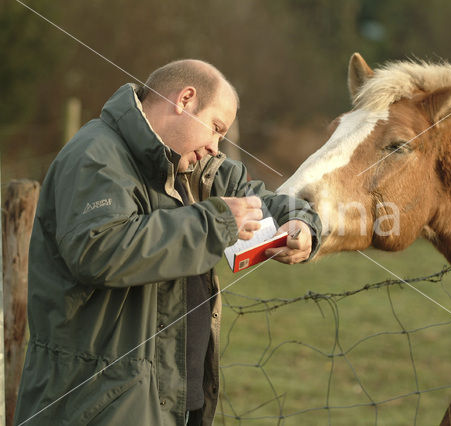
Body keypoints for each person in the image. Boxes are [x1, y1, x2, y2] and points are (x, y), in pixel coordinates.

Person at [14, 59, 322, 426]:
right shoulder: (95, 155)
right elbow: (100, 249)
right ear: (185, 99)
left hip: (176, 403)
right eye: (216, 127)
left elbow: (261, 198)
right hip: (96, 407)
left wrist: (301, 226)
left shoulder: (193, 168)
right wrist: (218, 222)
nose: (215, 146)